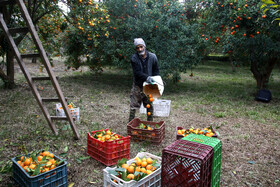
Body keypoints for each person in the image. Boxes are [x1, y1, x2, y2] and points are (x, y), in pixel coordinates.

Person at [129, 38, 160, 122]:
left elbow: (156, 70)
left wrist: (157, 80)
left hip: (149, 86)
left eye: (141, 47)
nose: (140, 49)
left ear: (144, 46)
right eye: (137, 48)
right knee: (133, 106)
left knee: (149, 105)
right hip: (138, 86)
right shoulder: (134, 58)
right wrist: (147, 77)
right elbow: (137, 72)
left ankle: (150, 124)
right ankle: (130, 125)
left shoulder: (153, 57)